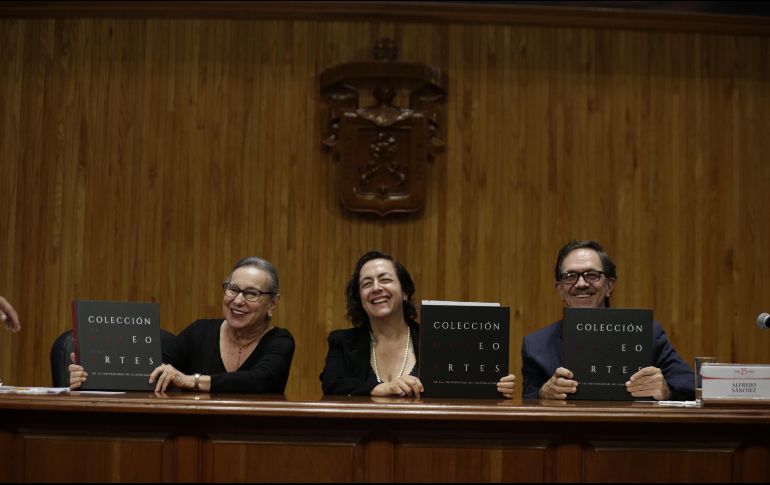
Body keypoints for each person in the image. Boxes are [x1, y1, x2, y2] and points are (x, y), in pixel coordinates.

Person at [69, 256, 295, 393]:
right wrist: (95, 369)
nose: (237, 300)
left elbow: (259, 381)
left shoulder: (281, 341)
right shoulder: (199, 332)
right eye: (233, 289)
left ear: (272, 304)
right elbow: (149, 368)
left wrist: (190, 380)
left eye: (251, 293)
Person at [320, 250, 516, 398]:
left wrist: (496, 386)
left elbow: (463, 390)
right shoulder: (342, 342)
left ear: (405, 292)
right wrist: (381, 388)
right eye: (366, 284)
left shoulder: (439, 341)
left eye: (385, 279)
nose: (376, 288)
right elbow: (331, 384)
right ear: (360, 298)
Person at [521, 240, 695, 401]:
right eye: (570, 276)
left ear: (609, 286)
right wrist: (544, 393)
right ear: (560, 290)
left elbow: (691, 383)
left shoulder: (646, 332)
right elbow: (527, 401)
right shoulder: (536, 345)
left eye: (592, 275)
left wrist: (667, 390)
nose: (581, 283)